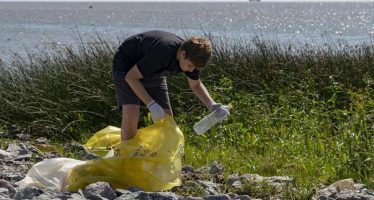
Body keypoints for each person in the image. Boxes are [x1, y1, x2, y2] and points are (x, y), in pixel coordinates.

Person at [112, 30, 229, 141]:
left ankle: (159, 156)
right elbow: (131, 78)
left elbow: (196, 85)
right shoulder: (162, 52)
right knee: (131, 116)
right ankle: (125, 156)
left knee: (167, 120)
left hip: (153, 71)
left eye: (194, 68)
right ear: (183, 54)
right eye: (189, 66)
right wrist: (151, 104)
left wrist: (212, 105)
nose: (191, 70)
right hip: (127, 65)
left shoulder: (192, 60)